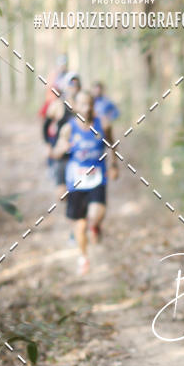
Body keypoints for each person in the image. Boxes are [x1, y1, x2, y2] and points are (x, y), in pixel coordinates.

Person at [52, 90, 119, 275]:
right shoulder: (68, 128)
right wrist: (61, 149)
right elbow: (55, 153)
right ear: (75, 106)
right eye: (82, 104)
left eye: (90, 104)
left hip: (98, 178)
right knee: (79, 226)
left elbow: (113, 145)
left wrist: (114, 165)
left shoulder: (103, 125)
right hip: (76, 181)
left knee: (96, 214)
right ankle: (83, 257)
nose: (87, 108)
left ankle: (95, 225)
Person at [44, 73, 81, 197]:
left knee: (78, 191)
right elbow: (45, 126)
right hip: (62, 153)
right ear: (66, 86)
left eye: (77, 84)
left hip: (79, 154)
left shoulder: (84, 106)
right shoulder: (58, 105)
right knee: (62, 194)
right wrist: (48, 145)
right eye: (71, 84)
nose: (74, 87)